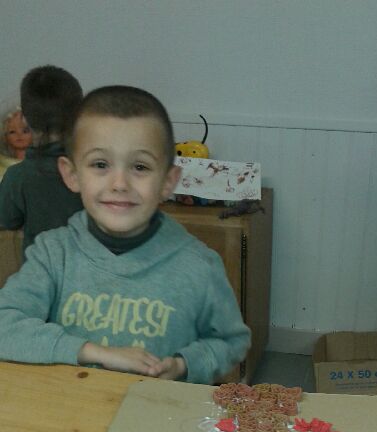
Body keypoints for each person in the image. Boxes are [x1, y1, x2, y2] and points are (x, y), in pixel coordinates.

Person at [0, 85, 251, 383]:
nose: (119, 183)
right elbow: (5, 326)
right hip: (70, 407)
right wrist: (93, 352)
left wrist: (183, 365)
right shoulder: (52, 254)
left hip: (157, 408)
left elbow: (230, 342)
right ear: (72, 174)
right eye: (100, 164)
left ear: (168, 182)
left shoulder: (200, 265)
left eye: (140, 167)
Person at [0, 65, 84, 254]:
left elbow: (6, 220)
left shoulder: (18, 176)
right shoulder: (94, 170)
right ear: (79, 115)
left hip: (38, 268)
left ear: (24, 118)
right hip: (89, 268)